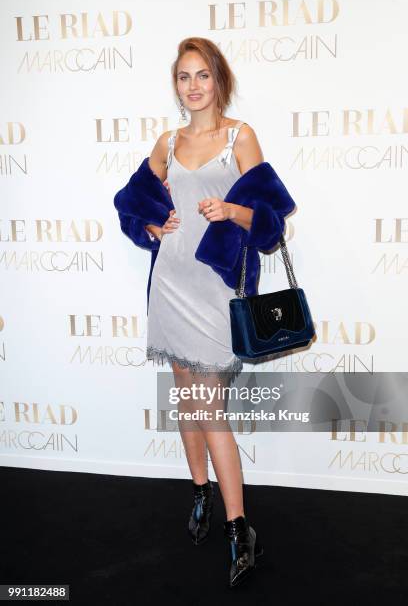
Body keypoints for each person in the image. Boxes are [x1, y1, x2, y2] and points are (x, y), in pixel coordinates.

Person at [128, 36, 268, 588]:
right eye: (184, 76)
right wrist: (147, 226)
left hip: (214, 292)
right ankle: (199, 494)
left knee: (211, 411)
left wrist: (230, 208)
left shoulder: (241, 137)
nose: (193, 86)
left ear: (219, 80)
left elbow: (269, 219)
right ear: (176, 84)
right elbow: (133, 197)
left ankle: (241, 530)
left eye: (202, 75)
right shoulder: (167, 140)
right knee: (186, 402)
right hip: (170, 285)